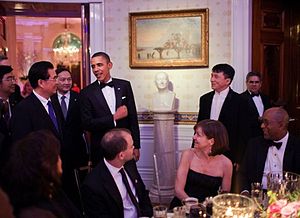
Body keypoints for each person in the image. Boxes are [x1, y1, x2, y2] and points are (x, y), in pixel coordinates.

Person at [1, 130, 82, 217]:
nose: (60, 160)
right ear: (47, 164)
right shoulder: (35, 213)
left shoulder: (54, 191)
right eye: (57, 156)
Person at [80, 52, 140, 165]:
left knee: (129, 179)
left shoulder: (124, 86)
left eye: (99, 65)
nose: (96, 69)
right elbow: (87, 123)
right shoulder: (86, 93)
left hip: (125, 147)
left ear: (109, 65)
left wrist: (136, 145)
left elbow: (133, 118)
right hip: (101, 149)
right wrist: (113, 117)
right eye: (93, 66)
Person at [81, 128, 153, 218]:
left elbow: (142, 193)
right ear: (121, 155)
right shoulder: (92, 186)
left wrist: (146, 215)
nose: (134, 147)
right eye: (131, 146)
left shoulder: (129, 163)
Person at [170, 119, 233, 209]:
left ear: (211, 141)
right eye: (195, 133)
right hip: (183, 205)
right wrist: (194, 207)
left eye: (198, 135)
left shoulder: (226, 164)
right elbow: (178, 190)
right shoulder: (188, 155)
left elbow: (224, 196)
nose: (194, 137)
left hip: (209, 210)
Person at [51, 67, 88, 210]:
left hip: (77, 150)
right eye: (63, 79)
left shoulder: (80, 98)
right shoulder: (50, 100)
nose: (67, 82)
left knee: (78, 187)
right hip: (57, 152)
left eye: (69, 79)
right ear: (56, 80)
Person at [238, 107, 300, 193]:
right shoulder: (254, 144)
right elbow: (242, 173)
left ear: (281, 125)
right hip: (257, 195)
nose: (262, 126)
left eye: (266, 123)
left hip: (286, 197)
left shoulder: (297, 146)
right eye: (262, 122)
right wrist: (245, 192)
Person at [196, 63, 247, 165]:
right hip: (205, 151)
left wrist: (239, 158)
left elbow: (242, 132)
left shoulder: (240, 101)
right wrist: (195, 149)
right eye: (212, 75)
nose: (212, 79)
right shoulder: (204, 99)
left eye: (216, 76)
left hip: (228, 152)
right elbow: (199, 125)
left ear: (227, 81)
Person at [10, 61, 62, 143]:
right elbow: (22, 144)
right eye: (54, 79)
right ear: (41, 82)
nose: (57, 82)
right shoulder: (23, 109)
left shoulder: (55, 103)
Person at [0, 65, 21, 168]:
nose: (13, 82)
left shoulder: (17, 103)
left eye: (13, 78)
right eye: (9, 79)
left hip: (15, 159)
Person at [240, 71, 271, 139]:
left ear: (260, 84)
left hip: (265, 135)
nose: (254, 84)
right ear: (246, 83)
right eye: (251, 82)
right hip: (248, 136)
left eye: (257, 82)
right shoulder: (240, 98)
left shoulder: (266, 98)